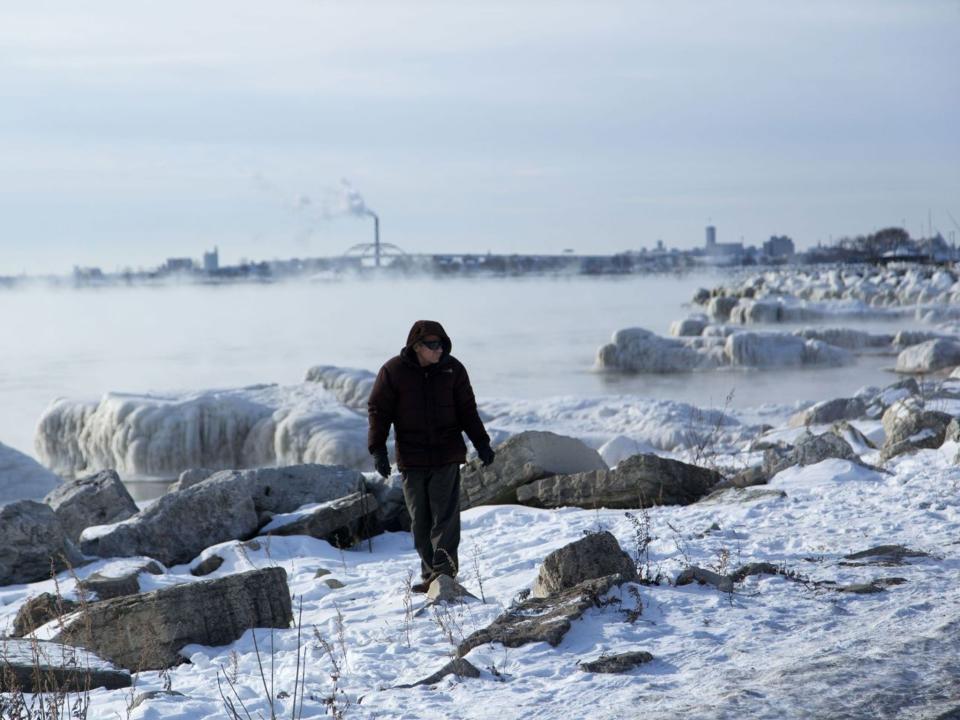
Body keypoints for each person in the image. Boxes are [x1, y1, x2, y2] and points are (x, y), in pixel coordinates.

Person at [368, 320, 495, 593]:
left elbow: (467, 411)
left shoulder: (453, 369)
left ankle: (444, 575)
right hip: (412, 459)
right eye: (433, 345)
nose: (439, 350)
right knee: (420, 520)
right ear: (417, 346)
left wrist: (482, 443)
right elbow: (379, 411)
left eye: (442, 344)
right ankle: (430, 576)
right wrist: (378, 450)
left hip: (446, 455)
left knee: (445, 518)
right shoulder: (393, 371)